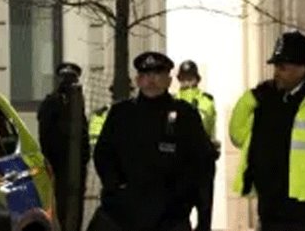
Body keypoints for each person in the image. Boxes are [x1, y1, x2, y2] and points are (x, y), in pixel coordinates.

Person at [229, 31, 305, 231]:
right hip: (270, 204)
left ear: (302, 67)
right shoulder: (266, 99)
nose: (276, 73)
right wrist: (249, 99)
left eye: (283, 67)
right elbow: (238, 136)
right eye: (275, 67)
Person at [91, 51, 214, 231]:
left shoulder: (185, 115)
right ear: (138, 80)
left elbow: (202, 165)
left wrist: (201, 216)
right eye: (146, 74)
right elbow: (104, 155)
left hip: (170, 217)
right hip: (124, 216)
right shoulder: (122, 114)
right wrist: (117, 187)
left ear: (169, 80)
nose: (151, 80)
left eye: (157, 74)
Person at [37, 61, 90, 231]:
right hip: (60, 163)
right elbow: (45, 134)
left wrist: (83, 159)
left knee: (75, 206)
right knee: (63, 205)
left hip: (76, 165)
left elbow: (83, 133)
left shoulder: (77, 101)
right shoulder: (52, 103)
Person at [177, 60, 219, 231]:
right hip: (180, 163)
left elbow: (208, 125)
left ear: (196, 79)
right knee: (178, 213)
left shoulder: (206, 100)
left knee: (204, 212)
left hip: (202, 161)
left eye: (190, 78)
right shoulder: (173, 100)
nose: (187, 82)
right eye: (184, 78)